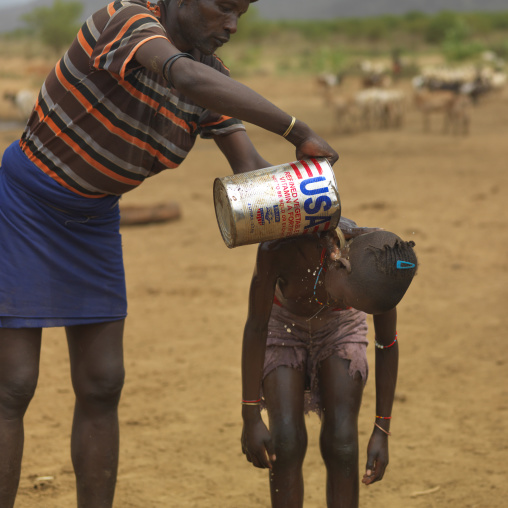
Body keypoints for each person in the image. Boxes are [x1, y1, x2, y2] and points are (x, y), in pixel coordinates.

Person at [0, 1, 339, 507]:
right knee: (13, 384)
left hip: (92, 222)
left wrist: (322, 209)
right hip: (23, 204)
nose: (231, 25)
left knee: (102, 382)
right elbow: (184, 79)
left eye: (240, 14)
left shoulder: (209, 73)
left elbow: (249, 168)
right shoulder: (127, 19)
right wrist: (297, 128)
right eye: (224, 7)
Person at [240, 217, 418, 508]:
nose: (356, 308)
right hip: (281, 324)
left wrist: (381, 430)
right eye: (351, 300)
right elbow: (257, 326)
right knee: (284, 442)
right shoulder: (281, 249)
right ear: (340, 263)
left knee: (343, 443)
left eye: (364, 309)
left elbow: (386, 343)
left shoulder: (380, 270)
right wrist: (250, 414)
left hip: (341, 329)